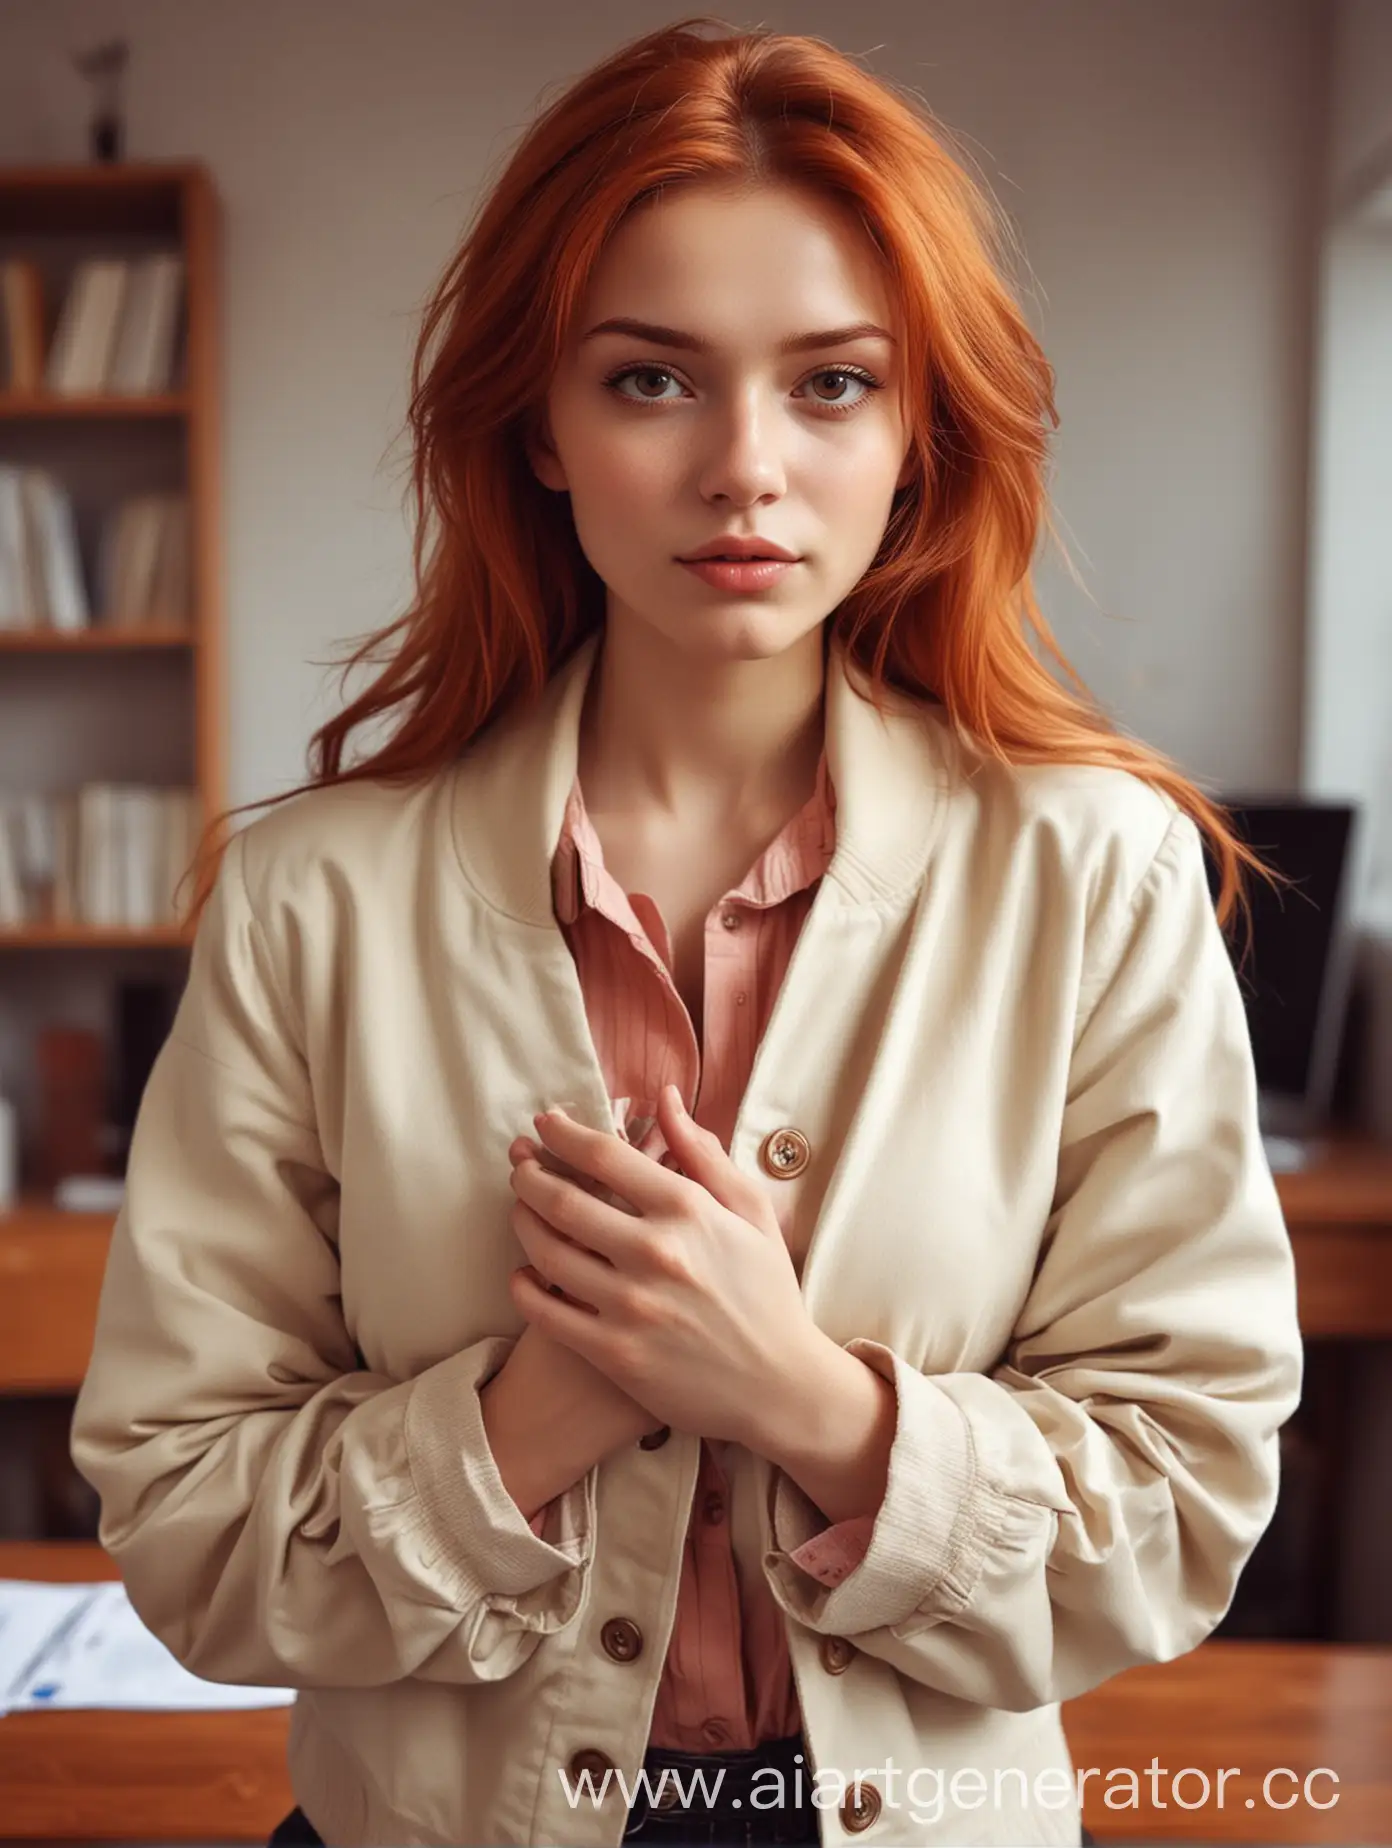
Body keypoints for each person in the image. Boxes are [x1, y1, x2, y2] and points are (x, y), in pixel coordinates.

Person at [70, 17, 1302, 1848]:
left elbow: (1189, 1499)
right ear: (542, 428)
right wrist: (529, 1420)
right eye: (653, 381)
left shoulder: (1101, 874)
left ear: (920, 433)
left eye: (830, 385)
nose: (745, 466)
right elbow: (182, 1516)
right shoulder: (312, 897)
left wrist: (807, 1402)